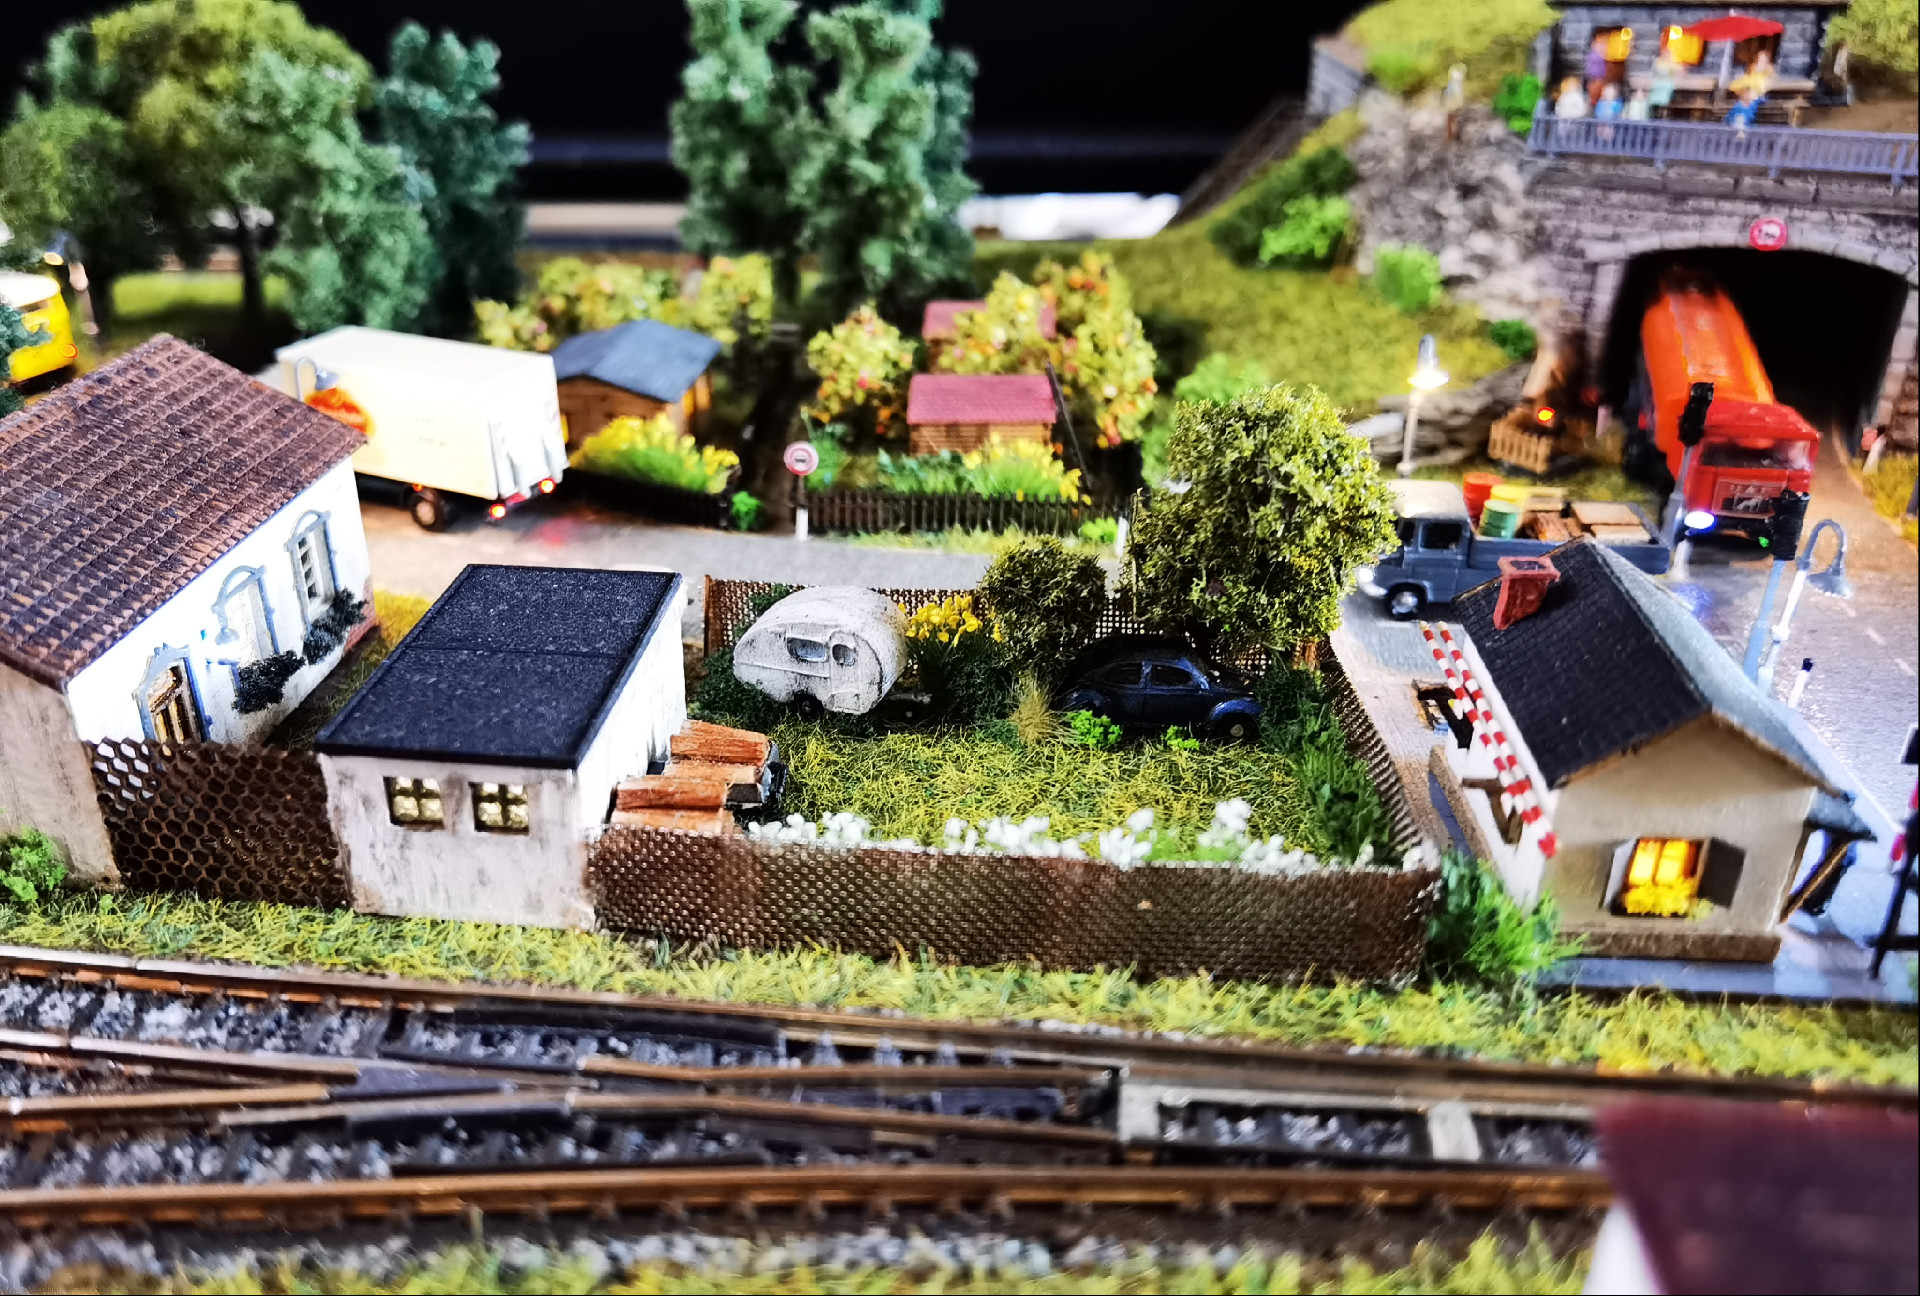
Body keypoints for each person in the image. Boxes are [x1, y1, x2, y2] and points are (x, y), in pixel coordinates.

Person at [1442, 62, 1467, 141]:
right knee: (1452, 119)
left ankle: (1451, 135)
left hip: (1452, 104)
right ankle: (1452, 135)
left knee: (1450, 119)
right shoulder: (1456, 84)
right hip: (1453, 104)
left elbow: (1451, 94)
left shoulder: (1454, 84)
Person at [1649, 50, 1678, 116]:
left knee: (1666, 92)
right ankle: (1654, 110)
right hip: (1657, 83)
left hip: (1667, 84)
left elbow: (1676, 72)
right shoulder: (1658, 62)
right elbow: (1657, 71)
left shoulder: (1671, 63)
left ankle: (1663, 111)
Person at [1586, 32, 1612, 105]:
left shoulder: (1602, 57)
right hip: (1595, 79)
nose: (1603, 47)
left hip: (1600, 80)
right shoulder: (1594, 56)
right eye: (1600, 45)